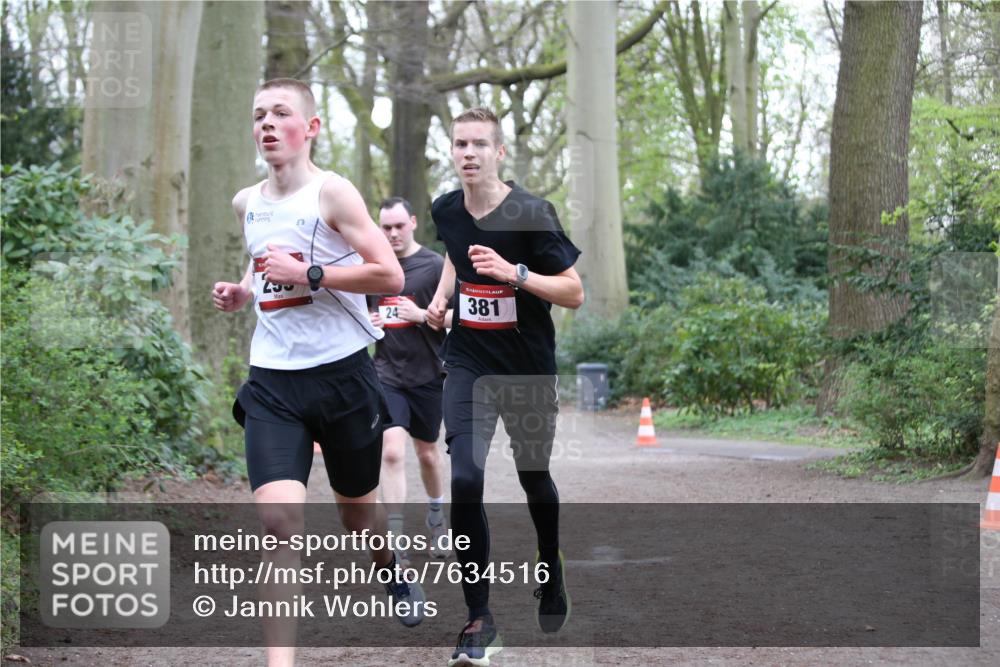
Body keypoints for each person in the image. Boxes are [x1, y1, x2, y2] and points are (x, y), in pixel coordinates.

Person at [211, 78, 423, 667]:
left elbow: (390, 277)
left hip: (343, 377)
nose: (268, 124)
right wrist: (243, 288)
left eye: (282, 113)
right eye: (259, 116)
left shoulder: (335, 195)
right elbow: (263, 257)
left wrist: (313, 276)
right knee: (279, 524)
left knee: (358, 518)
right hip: (273, 382)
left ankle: (393, 569)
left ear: (311, 128)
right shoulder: (245, 201)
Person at [426, 107, 585, 667]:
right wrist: (444, 298)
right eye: (459, 144)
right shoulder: (446, 207)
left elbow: (572, 292)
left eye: (478, 145)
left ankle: (550, 563)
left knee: (533, 476)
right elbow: (453, 250)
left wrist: (514, 274)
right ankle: (479, 619)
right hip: (468, 362)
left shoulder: (532, 215)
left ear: (499, 153)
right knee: (465, 477)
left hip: (526, 368)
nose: (467, 153)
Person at [367, 196, 452, 565]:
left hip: (428, 374)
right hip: (386, 375)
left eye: (399, 226)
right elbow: (358, 317)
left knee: (428, 453)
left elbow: (458, 318)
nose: (393, 233)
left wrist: (420, 314)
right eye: (386, 227)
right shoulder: (373, 269)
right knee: (391, 451)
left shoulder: (434, 266)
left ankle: (436, 518)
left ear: (413, 222)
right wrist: (366, 324)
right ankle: (397, 537)